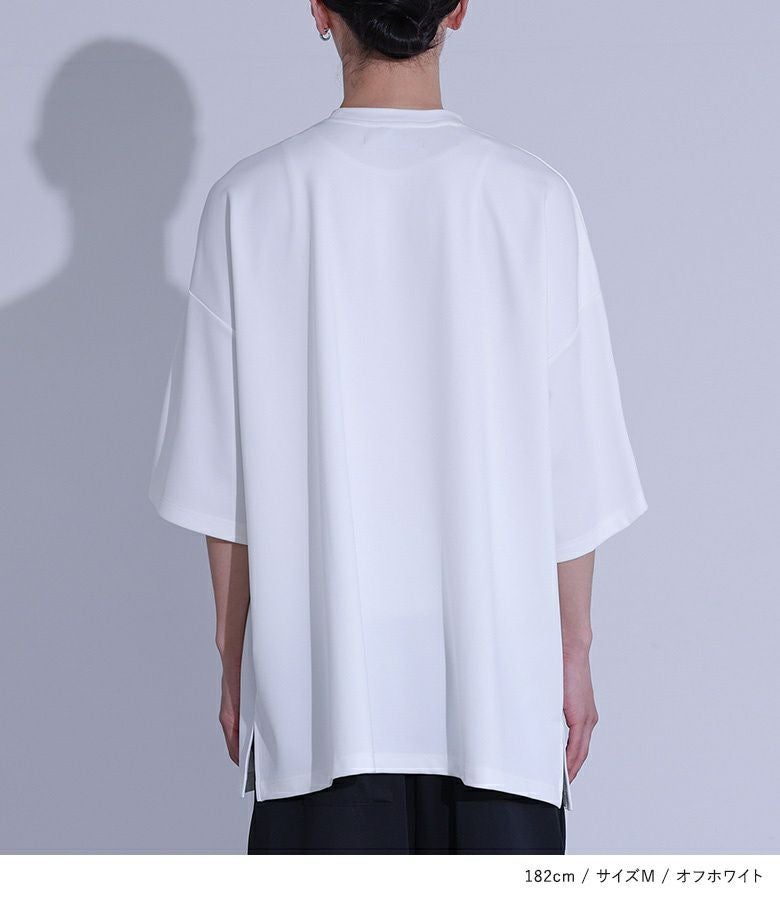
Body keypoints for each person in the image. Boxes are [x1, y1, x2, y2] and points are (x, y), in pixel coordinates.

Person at [148, 0, 648, 854]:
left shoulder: (249, 203)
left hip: (320, 710)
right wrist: (574, 652)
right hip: (500, 715)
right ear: (458, 11)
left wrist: (233, 661)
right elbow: (575, 469)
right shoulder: (534, 201)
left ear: (320, 12)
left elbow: (219, 484)